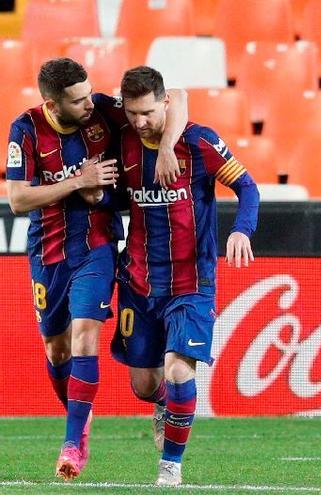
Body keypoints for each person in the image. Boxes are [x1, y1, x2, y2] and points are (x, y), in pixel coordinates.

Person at [6, 57, 186, 481]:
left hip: (98, 246)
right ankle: (79, 415)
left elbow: (177, 98)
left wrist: (163, 148)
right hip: (47, 252)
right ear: (53, 104)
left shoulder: (102, 109)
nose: (91, 103)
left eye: (89, 93)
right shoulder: (27, 129)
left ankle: (73, 444)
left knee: (85, 334)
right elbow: (17, 200)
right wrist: (78, 182)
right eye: (79, 99)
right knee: (57, 349)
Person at [103, 66, 259, 486]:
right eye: (132, 113)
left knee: (178, 371)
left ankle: (170, 466)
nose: (140, 122)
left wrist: (241, 230)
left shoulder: (199, 142)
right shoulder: (123, 139)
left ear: (165, 104)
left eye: (148, 112)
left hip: (192, 283)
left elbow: (247, 187)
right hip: (138, 283)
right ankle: (163, 405)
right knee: (144, 384)